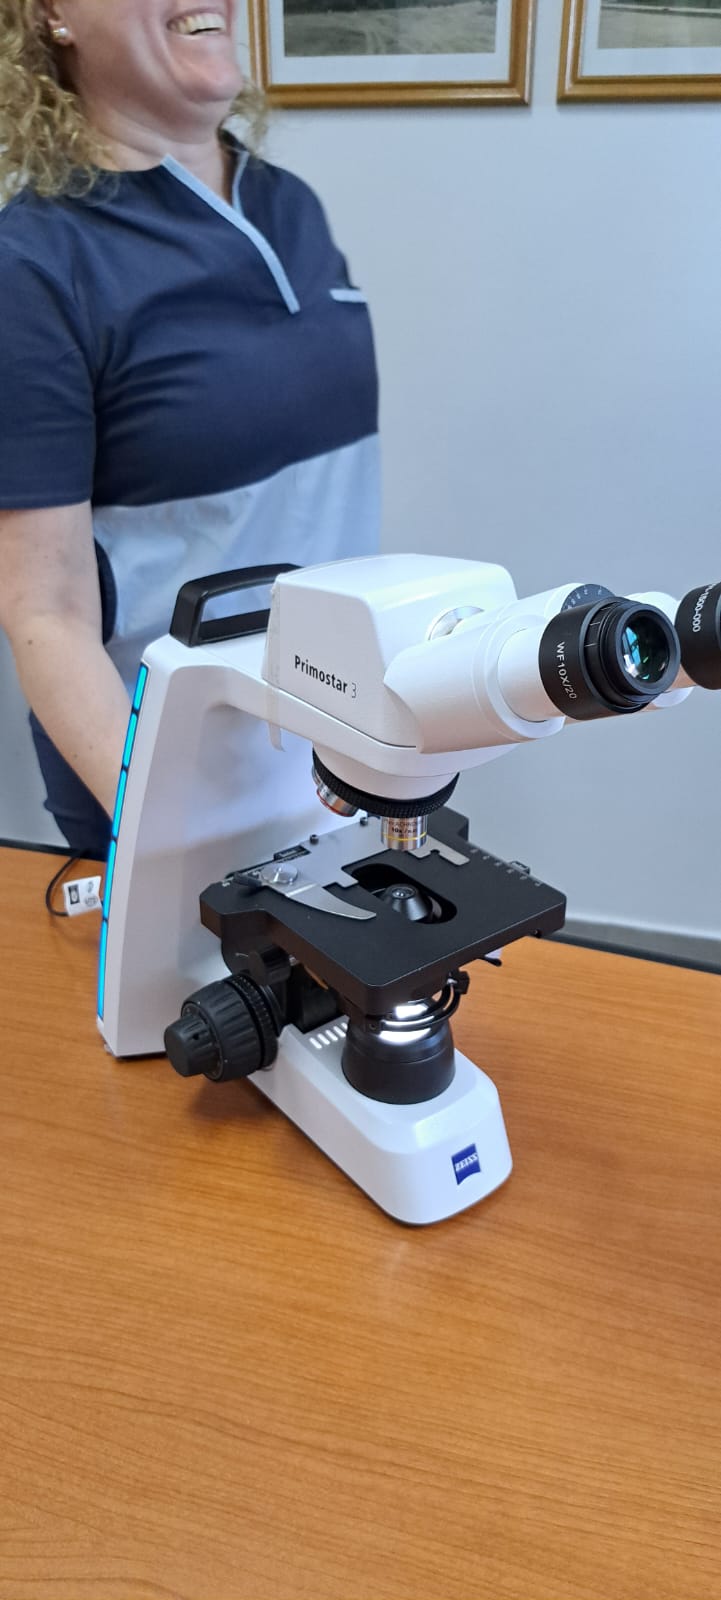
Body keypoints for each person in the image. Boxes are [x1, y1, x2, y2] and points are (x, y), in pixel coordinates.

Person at [0, 0, 380, 860]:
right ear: (52, 14)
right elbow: (45, 613)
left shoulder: (289, 205)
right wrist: (173, 836)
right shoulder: (33, 265)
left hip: (334, 748)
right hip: (166, 779)